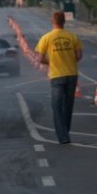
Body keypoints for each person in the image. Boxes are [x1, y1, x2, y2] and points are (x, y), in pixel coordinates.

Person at [35, 11, 83, 144]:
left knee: (56, 106)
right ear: (64, 22)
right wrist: (68, 59)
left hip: (57, 75)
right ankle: (65, 130)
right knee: (68, 105)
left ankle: (62, 136)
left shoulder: (46, 38)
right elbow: (79, 56)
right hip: (72, 74)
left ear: (52, 21)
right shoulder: (72, 36)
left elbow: (40, 58)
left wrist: (50, 62)